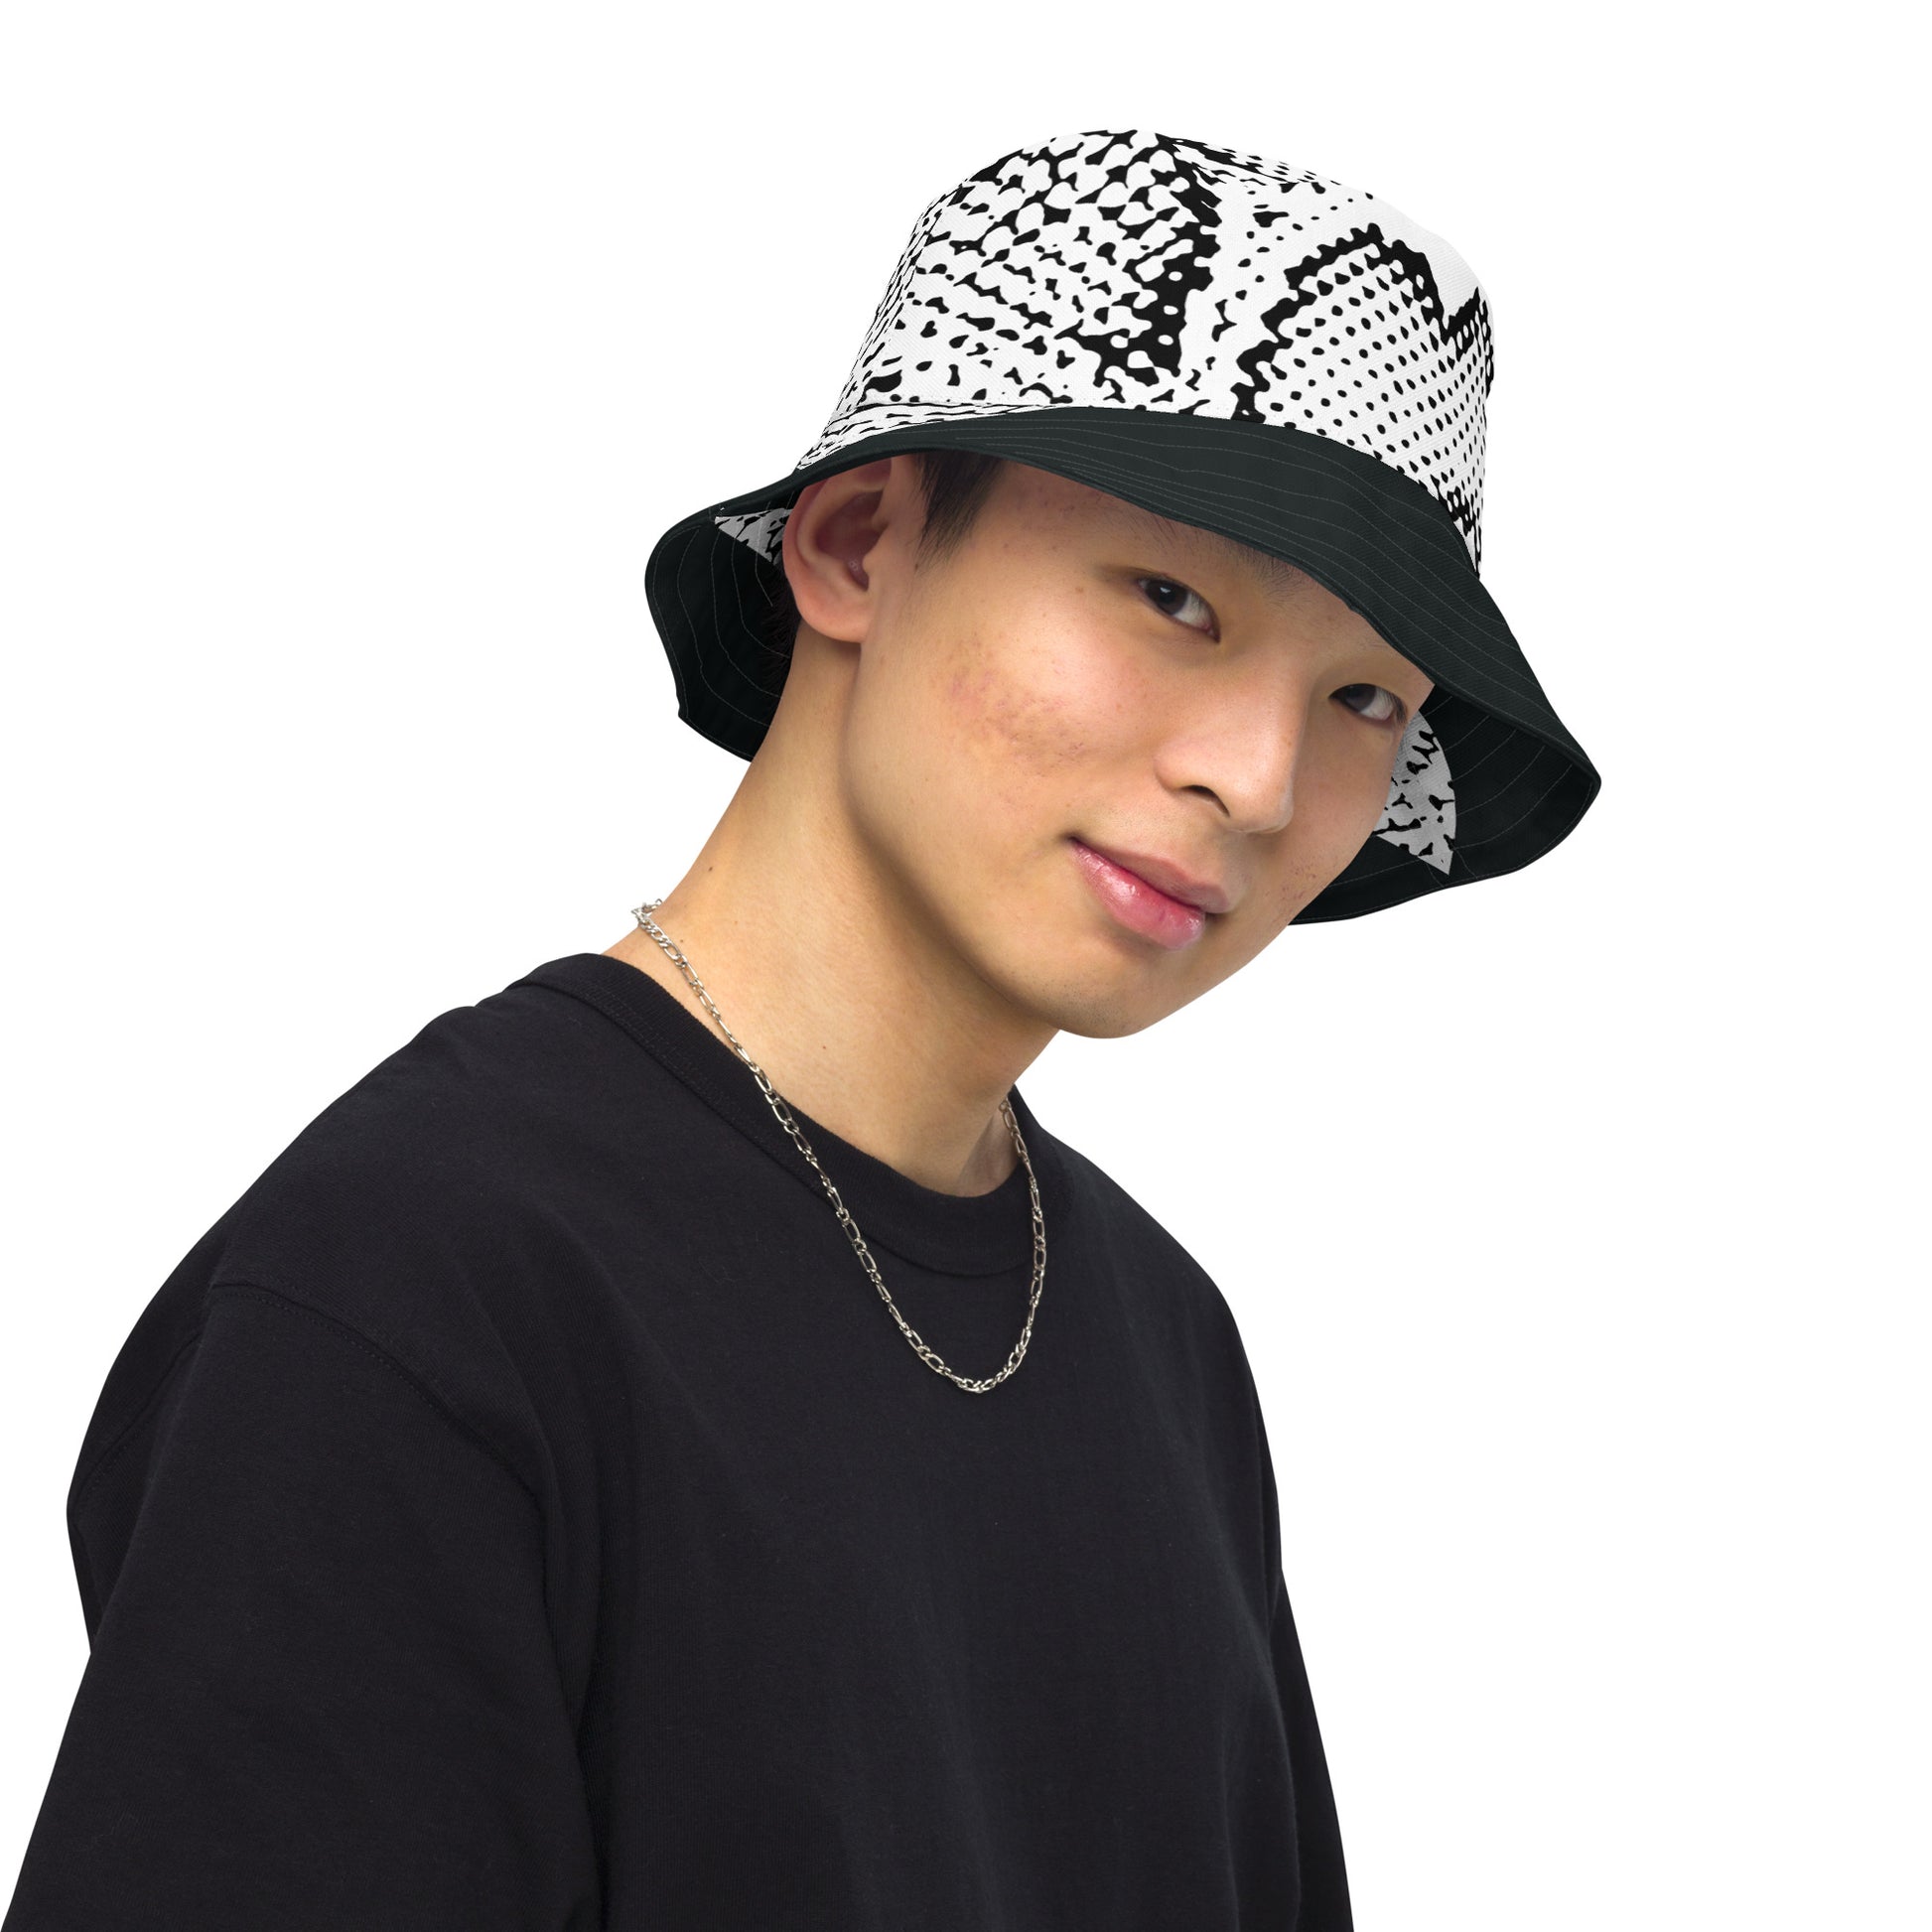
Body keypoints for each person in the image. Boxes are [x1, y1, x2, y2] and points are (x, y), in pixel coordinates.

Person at [2, 129, 1599, 1931]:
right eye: (1174, 601)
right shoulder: (423, 1285)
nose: (1258, 777)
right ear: (857, 545)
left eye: (1363, 697)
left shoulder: (1165, 1344)